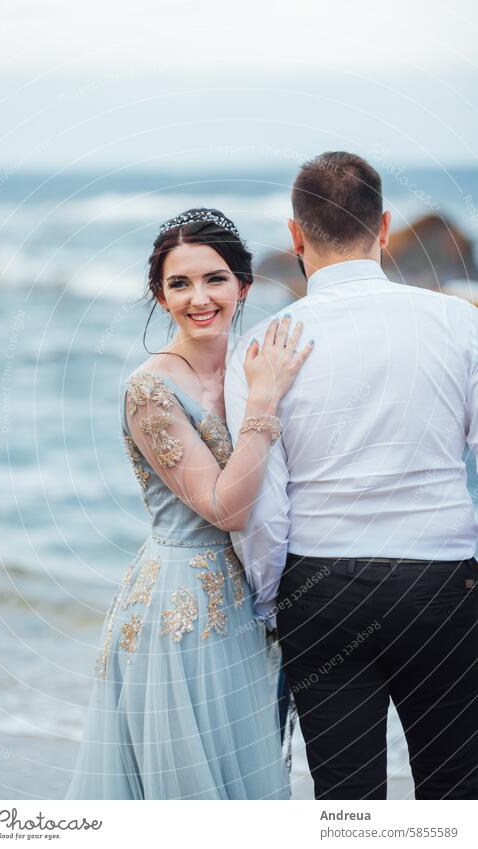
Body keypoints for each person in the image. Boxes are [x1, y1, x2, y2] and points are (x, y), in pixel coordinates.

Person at [225, 151, 478, 800]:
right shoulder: (459, 323)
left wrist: (268, 596)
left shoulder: (265, 345)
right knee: (457, 792)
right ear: (386, 226)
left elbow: (264, 503)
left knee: (348, 801)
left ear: (295, 235)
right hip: (444, 583)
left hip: (322, 585)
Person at [65, 207, 313, 800]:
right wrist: (265, 402)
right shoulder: (150, 391)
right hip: (181, 608)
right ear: (160, 295)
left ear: (243, 286)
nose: (199, 298)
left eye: (215, 279)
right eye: (180, 283)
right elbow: (224, 510)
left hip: (251, 600)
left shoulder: (250, 367)